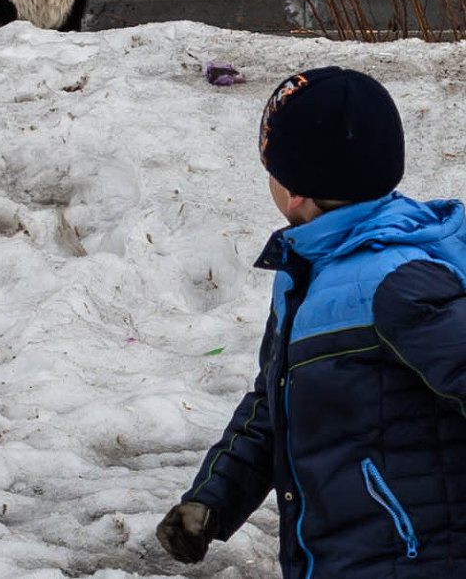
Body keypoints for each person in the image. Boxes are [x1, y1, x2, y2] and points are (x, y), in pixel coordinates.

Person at [156, 66, 466, 578]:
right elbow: (275, 404)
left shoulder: (396, 283)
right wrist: (213, 498)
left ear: (294, 191)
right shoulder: (309, 271)